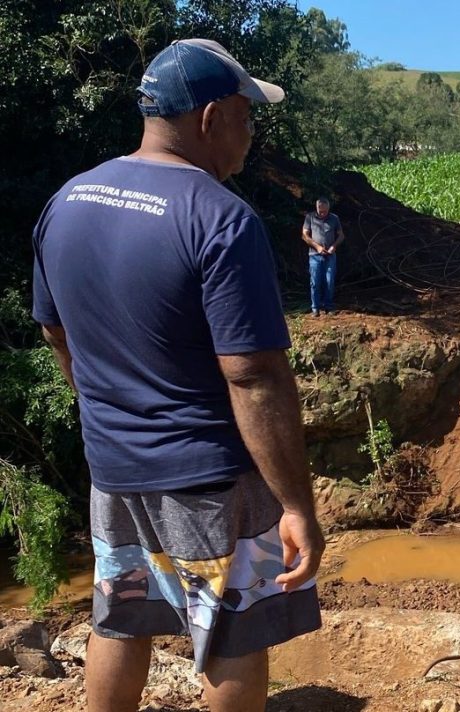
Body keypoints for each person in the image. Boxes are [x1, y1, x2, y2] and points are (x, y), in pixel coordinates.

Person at [31, 39, 325, 712]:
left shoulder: (68, 201)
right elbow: (253, 377)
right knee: (233, 636)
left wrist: (106, 409)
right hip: (207, 480)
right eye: (248, 114)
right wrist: (297, 507)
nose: (251, 131)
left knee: (121, 614)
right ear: (211, 116)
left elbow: (55, 332)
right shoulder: (220, 219)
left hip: (114, 469)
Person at [302, 197, 344, 316]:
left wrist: (334, 246)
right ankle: (315, 307)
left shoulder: (334, 218)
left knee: (329, 280)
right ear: (317, 208)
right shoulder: (310, 217)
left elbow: (341, 235)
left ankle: (329, 306)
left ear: (328, 208)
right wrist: (317, 247)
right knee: (315, 281)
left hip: (330, 255)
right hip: (314, 255)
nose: (322, 213)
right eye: (320, 211)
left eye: (325, 211)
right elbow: (304, 235)